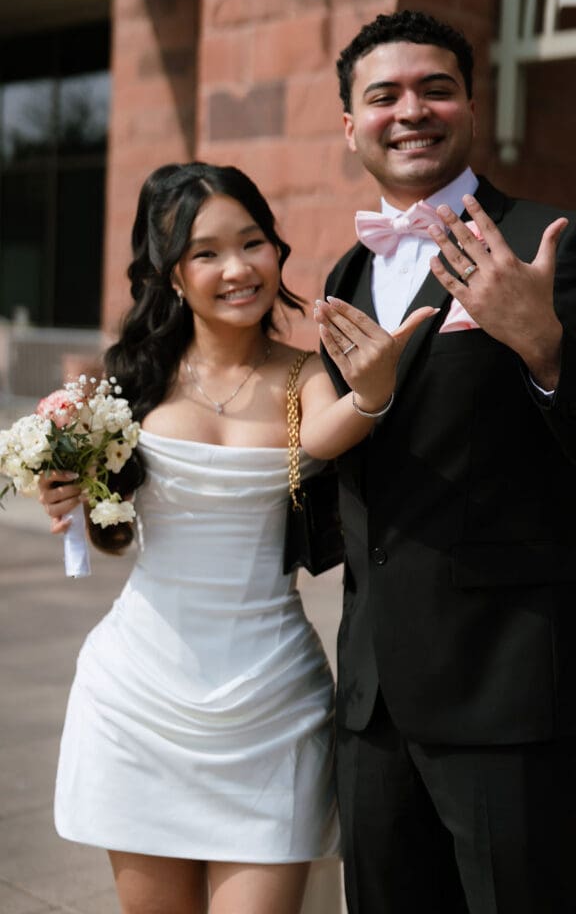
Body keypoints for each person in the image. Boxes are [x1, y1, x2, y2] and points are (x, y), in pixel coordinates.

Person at [314, 10, 576, 914]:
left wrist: (542, 343)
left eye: (435, 87)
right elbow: (343, 470)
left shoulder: (553, 239)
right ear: (349, 124)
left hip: (506, 695)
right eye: (381, 95)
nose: (410, 110)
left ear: (471, 105)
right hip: (372, 703)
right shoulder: (344, 276)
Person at [39, 161, 434, 914]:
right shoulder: (127, 382)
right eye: (206, 253)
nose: (236, 268)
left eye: (252, 243)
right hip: (137, 698)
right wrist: (69, 491)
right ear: (171, 274)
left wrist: (374, 392)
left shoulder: (302, 377)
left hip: (271, 707)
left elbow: (327, 429)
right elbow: (110, 534)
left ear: (277, 251)